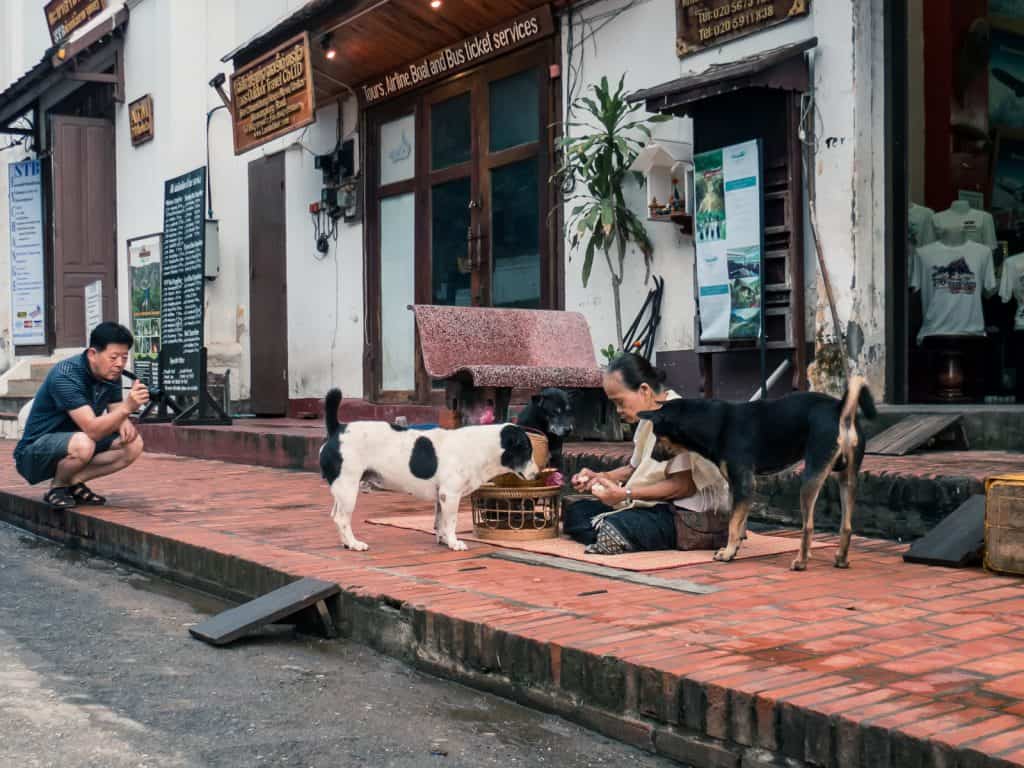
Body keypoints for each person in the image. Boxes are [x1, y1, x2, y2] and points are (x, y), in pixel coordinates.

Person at [565, 353, 731, 555]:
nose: (618, 410)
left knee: (613, 526)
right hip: (662, 508)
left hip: (688, 517)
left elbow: (683, 486)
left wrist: (625, 493)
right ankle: (624, 535)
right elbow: (634, 468)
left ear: (644, 390)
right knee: (576, 511)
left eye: (620, 402)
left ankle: (620, 534)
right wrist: (601, 476)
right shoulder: (649, 414)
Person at [14, 322, 150, 508]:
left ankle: (72, 481)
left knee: (133, 444)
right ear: (92, 354)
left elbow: (116, 411)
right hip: (35, 452)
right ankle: (58, 487)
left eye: (124, 357)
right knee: (84, 443)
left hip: (79, 442)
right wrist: (128, 407)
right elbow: (93, 430)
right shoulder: (66, 375)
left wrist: (124, 421)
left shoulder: (112, 373)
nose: (119, 364)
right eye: (114, 357)